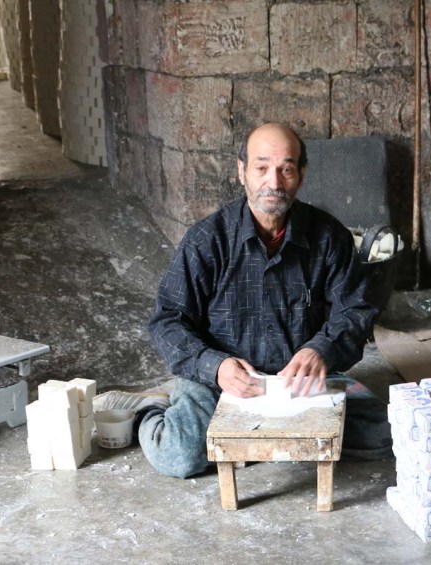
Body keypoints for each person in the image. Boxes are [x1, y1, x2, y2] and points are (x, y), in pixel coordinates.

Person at [97, 122, 391, 478]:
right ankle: (152, 407)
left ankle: (246, 439)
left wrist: (322, 350)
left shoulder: (329, 237)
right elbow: (167, 321)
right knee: (179, 455)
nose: (274, 182)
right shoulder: (207, 240)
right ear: (242, 172)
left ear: (302, 174)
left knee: (384, 435)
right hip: (220, 381)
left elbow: (355, 311)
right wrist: (214, 366)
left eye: (286, 168)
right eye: (262, 167)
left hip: (295, 383)